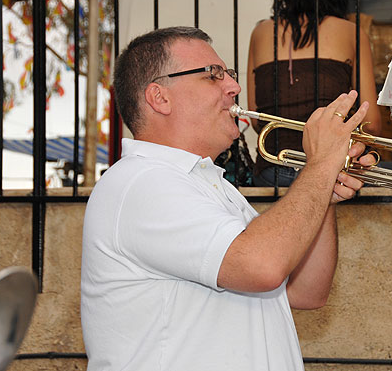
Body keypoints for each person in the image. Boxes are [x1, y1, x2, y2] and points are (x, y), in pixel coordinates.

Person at [80, 26, 375, 370]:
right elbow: (263, 266)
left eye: (229, 75)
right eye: (213, 76)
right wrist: (321, 166)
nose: (234, 87)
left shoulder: (206, 185)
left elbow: (306, 292)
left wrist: (324, 192)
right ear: (160, 98)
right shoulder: (142, 182)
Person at [247, 0, 381, 187]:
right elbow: (372, 122)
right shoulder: (351, 32)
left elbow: (257, 119)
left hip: (271, 171)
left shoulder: (260, 32)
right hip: (331, 173)